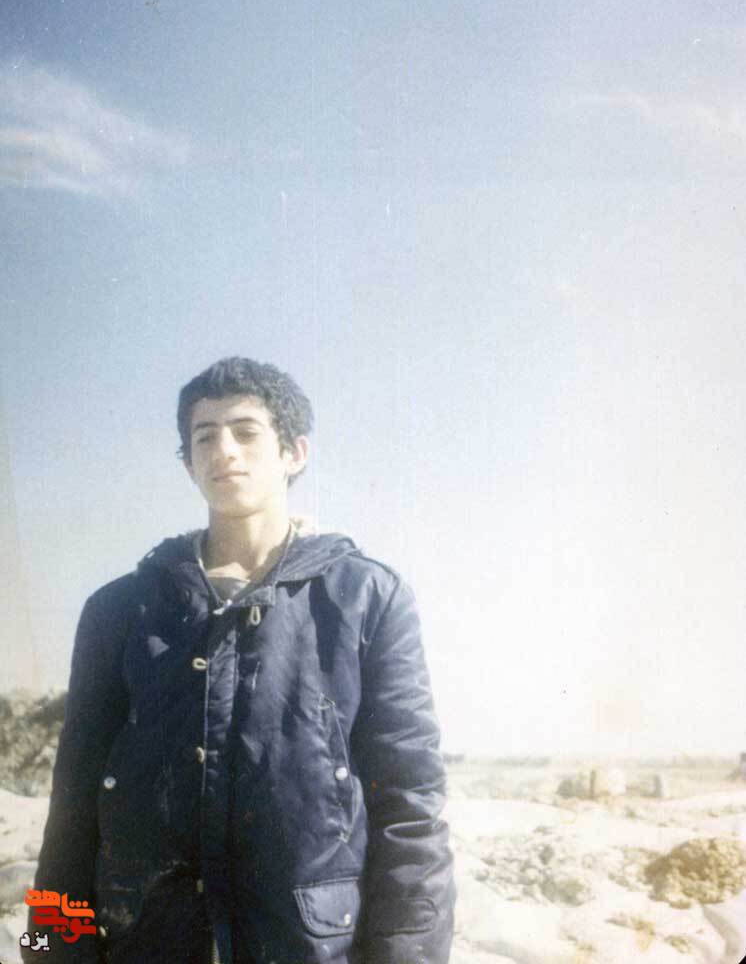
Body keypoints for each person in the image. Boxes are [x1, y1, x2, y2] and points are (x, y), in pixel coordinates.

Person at [28, 357, 455, 964]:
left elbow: (410, 808)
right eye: (205, 437)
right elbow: (70, 810)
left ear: (294, 452)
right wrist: (47, 950)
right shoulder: (119, 609)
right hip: (148, 944)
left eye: (246, 431)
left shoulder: (368, 598)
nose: (224, 450)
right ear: (188, 463)